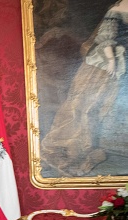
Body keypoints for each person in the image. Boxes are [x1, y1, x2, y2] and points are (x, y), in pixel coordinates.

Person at [40, 0, 128, 177]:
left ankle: (110, 144)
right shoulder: (117, 9)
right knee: (88, 104)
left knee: (112, 106)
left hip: (123, 61)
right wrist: (111, 61)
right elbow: (105, 39)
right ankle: (79, 144)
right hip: (104, 63)